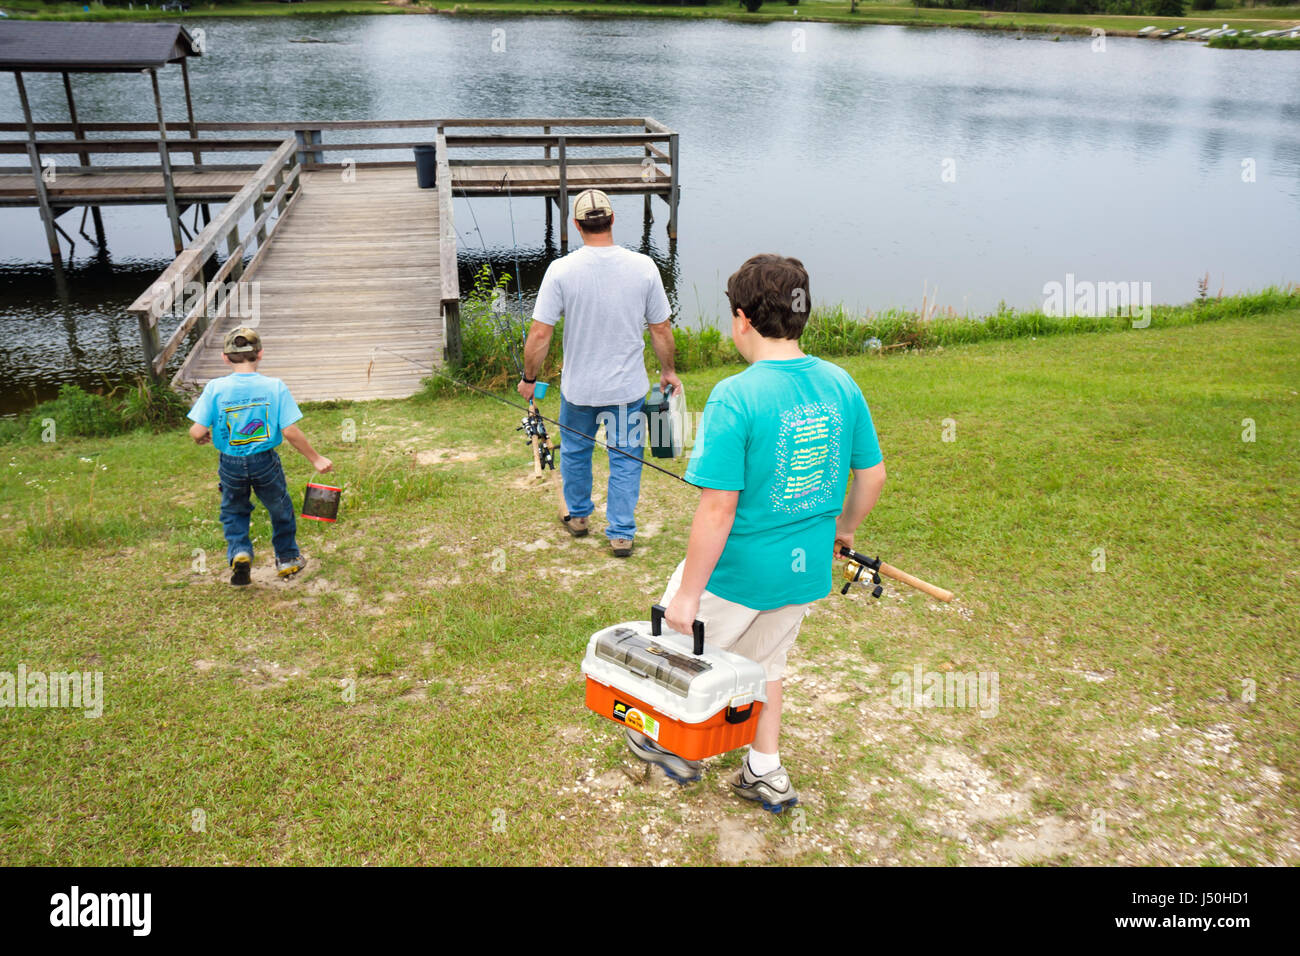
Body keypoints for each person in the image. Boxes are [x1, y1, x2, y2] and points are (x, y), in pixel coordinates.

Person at [628, 254, 887, 812]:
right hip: (805, 570)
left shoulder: (735, 395)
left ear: (741, 318)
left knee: (681, 649)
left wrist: (690, 595)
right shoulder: (841, 383)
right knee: (767, 666)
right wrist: (842, 529)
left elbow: (718, 510)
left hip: (738, 573)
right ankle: (764, 771)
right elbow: (872, 474)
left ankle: (673, 744)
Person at [517, 188, 680, 558]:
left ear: (577, 225)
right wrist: (668, 371)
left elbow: (541, 333)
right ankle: (621, 533)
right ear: (612, 220)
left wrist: (530, 378)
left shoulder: (561, 270)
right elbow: (661, 328)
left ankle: (578, 516)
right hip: (628, 389)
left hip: (579, 389)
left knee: (575, 452)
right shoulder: (644, 266)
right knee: (626, 457)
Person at [187, 327, 333, 586]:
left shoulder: (215, 387)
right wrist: (316, 459)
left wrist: (200, 436)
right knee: (279, 506)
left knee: (234, 509)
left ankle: (240, 552)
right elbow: (289, 430)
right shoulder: (274, 387)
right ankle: (287, 558)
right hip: (264, 460)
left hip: (230, 462)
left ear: (224, 357)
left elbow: (197, 429)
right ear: (261, 354)